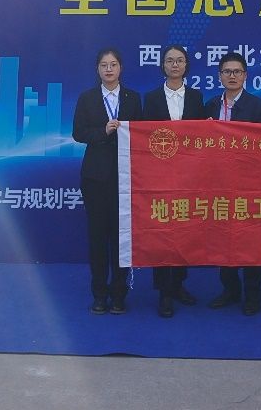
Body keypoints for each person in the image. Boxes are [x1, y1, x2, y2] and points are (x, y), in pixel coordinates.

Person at [72, 47, 142, 315]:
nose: (109, 69)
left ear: (121, 68)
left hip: (126, 177)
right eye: (104, 65)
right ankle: (99, 294)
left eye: (113, 64)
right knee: (98, 238)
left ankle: (119, 294)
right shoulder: (87, 98)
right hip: (95, 177)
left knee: (121, 238)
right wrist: (103, 131)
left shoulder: (133, 98)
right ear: (98, 69)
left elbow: (141, 133)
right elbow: (78, 133)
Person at [203, 51, 261, 316]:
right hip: (218, 183)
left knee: (250, 239)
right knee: (224, 238)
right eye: (227, 72)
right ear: (219, 76)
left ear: (245, 76)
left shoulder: (258, 107)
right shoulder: (210, 106)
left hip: (249, 183)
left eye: (237, 71)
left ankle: (253, 293)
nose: (232, 76)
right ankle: (230, 290)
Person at [141, 44, 205, 318]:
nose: (175, 65)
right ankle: (164, 292)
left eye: (179, 60)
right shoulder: (152, 98)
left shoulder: (196, 97)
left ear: (186, 65)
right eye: (170, 60)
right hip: (160, 175)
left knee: (183, 230)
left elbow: (201, 136)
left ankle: (178, 284)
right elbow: (144, 137)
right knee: (162, 231)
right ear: (163, 66)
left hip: (189, 175)